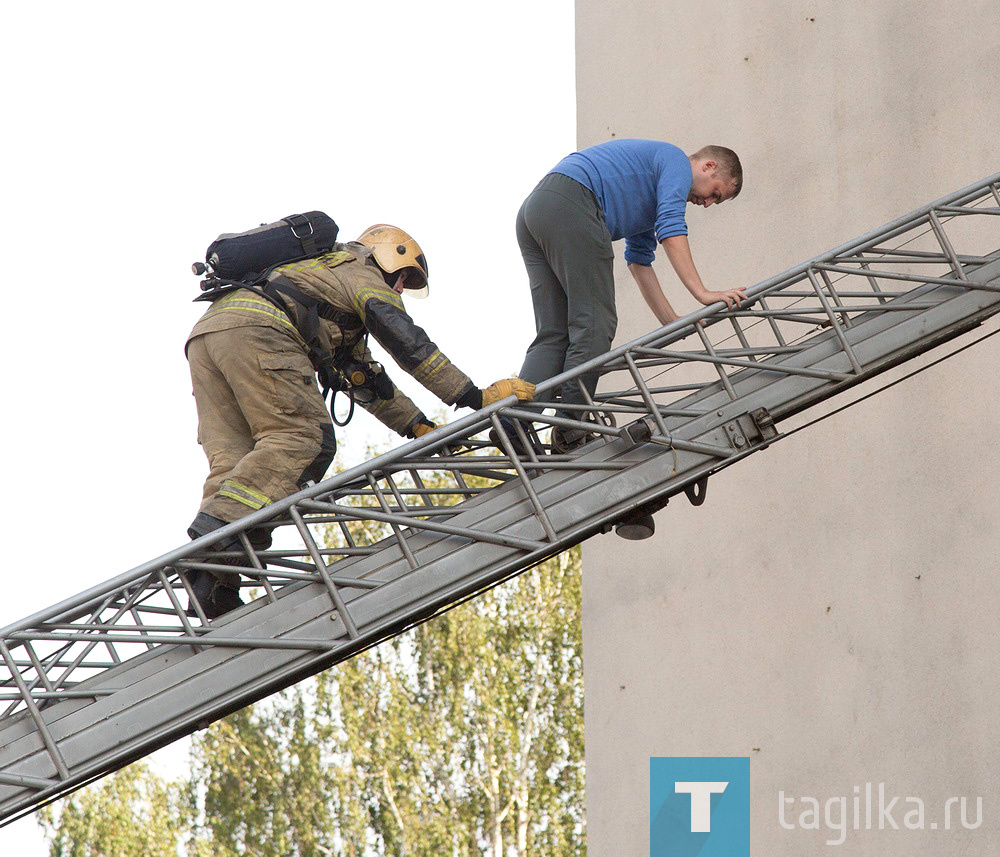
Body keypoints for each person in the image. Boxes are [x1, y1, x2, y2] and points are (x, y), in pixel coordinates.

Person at [185, 224, 535, 618]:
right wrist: (473, 397)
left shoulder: (322, 281)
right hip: (260, 330)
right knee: (302, 439)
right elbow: (406, 339)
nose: (401, 289)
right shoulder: (360, 268)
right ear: (388, 255)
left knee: (239, 462)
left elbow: (362, 376)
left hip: (209, 334)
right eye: (404, 277)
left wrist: (416, 425)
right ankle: (217, 532)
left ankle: (213, 583)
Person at [515, 139, 747, 452]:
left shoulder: (649, 185)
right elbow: (671, 227)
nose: (706, 204)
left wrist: (672, 322)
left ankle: (513, 423)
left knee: (555, 334)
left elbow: (639, 262)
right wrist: (702, 293)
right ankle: (571, 431)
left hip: (538, 208)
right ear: (708, 166)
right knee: (595, 326)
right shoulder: (676, 162)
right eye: (714, 194)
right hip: (573, 201)